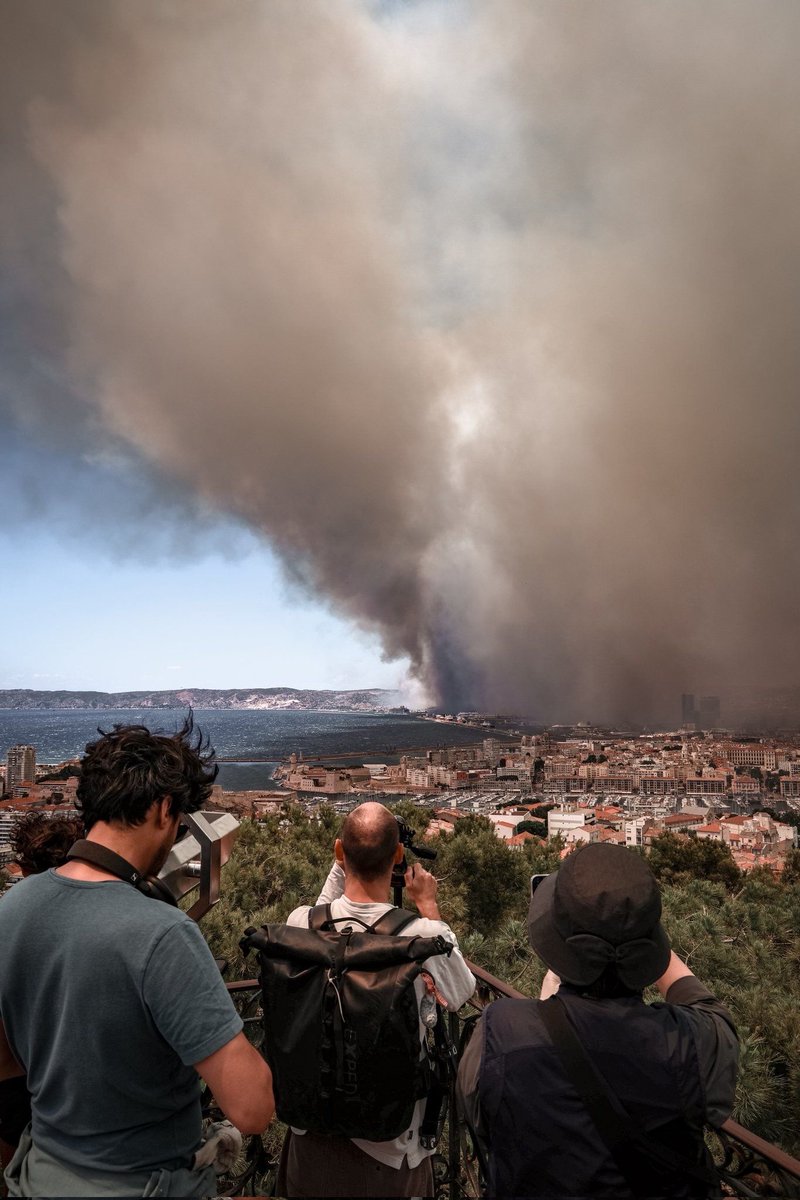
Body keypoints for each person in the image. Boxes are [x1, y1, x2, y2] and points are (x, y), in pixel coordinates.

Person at [0, 716, 274, 1198]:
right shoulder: (163, 934)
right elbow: (252, 1109)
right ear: (164, 809)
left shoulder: (12, 908)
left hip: (41, 1176)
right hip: (144, 1183)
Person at [457, 842, 739, 1200]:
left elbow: (478, 1113)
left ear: (556, 947)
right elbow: (710, 1011)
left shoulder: (501, 1030)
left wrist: (548, 1012)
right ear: (651, 947)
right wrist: (636, 932)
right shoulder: (690, 1043)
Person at [276, 801, 476, 1199]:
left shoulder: (300, 923)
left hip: (310, 1133)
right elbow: (460, 992)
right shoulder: (419, 935)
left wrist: (343, 863)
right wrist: (429, 906)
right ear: (399, 855)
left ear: (338, 852)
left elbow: (321, 916)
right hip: (390, 1147)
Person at [0, 811, 86, 1180]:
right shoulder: (96, 926)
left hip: (13, 1081)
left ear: (21, 865)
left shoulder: (11, 918)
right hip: (75, 1091)